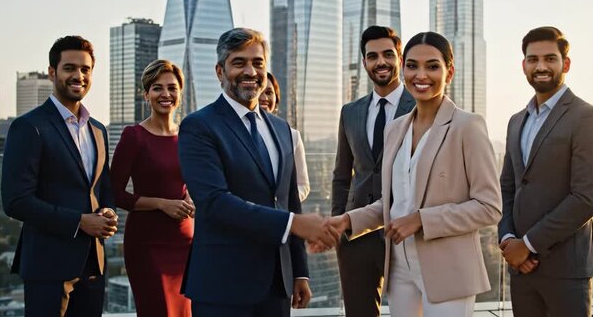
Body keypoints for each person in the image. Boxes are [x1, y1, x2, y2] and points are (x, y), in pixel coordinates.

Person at [330, 31, 502, 317]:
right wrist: (347, 220)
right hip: (399, 267)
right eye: (412, 65)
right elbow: (393, 202)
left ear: (450, 72)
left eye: (432, 66)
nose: (420, 75)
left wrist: (421, 220)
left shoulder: (467, 126)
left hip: (448, 270)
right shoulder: (395, 128)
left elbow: (489, 207)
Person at [178, 27, 340, 317]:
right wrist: (294, 224)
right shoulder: (199, 126)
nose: (250, 71)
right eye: (239, 62)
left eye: (258, 63)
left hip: (277, 284)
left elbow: (289, 200)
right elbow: (214, 202)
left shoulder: (282, 130)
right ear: (220, 71)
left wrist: (299, 271)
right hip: (222, 285)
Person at [1, 35, 118, 316]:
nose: (78, 75)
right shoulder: (29, 127)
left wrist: (108, 213)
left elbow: (102, 190)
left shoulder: (99, 129)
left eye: (85, 69)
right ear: (53, 72)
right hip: (48, 266)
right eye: (69, 68)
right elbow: (16, 201)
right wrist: (79, 222)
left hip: (93, 265)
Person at [498, 26, 593, 317]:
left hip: (566, 270)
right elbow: (507, 188)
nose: (541, 66)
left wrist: (529, 245)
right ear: (524, 65)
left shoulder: (587, 117)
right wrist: (509, 239)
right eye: (533, 59)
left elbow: (586, 198)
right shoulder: (515, 122)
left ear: (566, 64)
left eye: (550, 58)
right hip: (520, 270)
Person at [331, 25, 414, 316]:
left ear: (400, 58)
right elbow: (342, 175)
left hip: (405, 230)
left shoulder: (420, 105)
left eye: (388, 54)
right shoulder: (350, 112)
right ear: (364, 61)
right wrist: (338, 223)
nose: (381, 62)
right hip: (355, 235)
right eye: (372, 56)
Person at [110, 60, 194, 316]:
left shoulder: (189, 135)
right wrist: (161, 203)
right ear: (146, 94)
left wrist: (192, 197)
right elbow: (115, 194)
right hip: (148, 244)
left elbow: (196, 181)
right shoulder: (133, 136)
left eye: (172, 88)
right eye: (157, 88)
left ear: (180, 92)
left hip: (186, 240)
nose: (166, 94)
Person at [258, 72, 310, 201]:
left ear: (276, 99)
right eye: (260, 92)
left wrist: (284, 200)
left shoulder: (292, 135)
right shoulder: (237, 133)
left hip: (283, 215)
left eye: (269, 92)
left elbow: (303, 184)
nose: (264, 97)